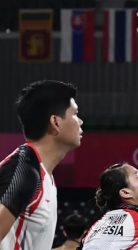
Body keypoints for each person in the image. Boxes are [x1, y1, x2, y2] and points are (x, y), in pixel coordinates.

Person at [0, 80, 83, 249]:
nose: (80, 121)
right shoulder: (24, 170)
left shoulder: (44, 174)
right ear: (55, 122)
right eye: (75, 114)